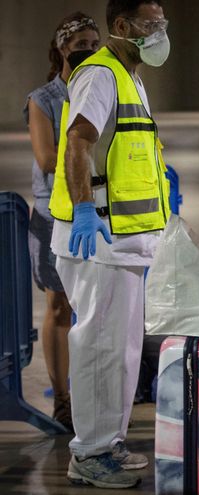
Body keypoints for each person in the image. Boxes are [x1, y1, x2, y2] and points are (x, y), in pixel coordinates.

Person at [48, 0, 170, 488]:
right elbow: (79, 142)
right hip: (97, 240)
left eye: (163, 23)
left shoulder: (128, 75)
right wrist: (82, 209)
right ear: (122, 26)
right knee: (99, 349)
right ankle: (90, 453)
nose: (161, 32)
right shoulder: (100, 75)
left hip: (123, 245)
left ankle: (109, 444)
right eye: (151, 24)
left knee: (119, 351)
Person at [24, 11, 100, 433]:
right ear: (61, 49)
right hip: (54, 215)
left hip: (95, 211)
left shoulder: (104, 87)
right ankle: (63, 399)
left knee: (92, 306)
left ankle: (91, 389)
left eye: (94, 42)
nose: (88, 50)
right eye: (79, 44)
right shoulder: (44, 99)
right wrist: (85, 151)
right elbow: (47, 159)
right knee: (59, 307)